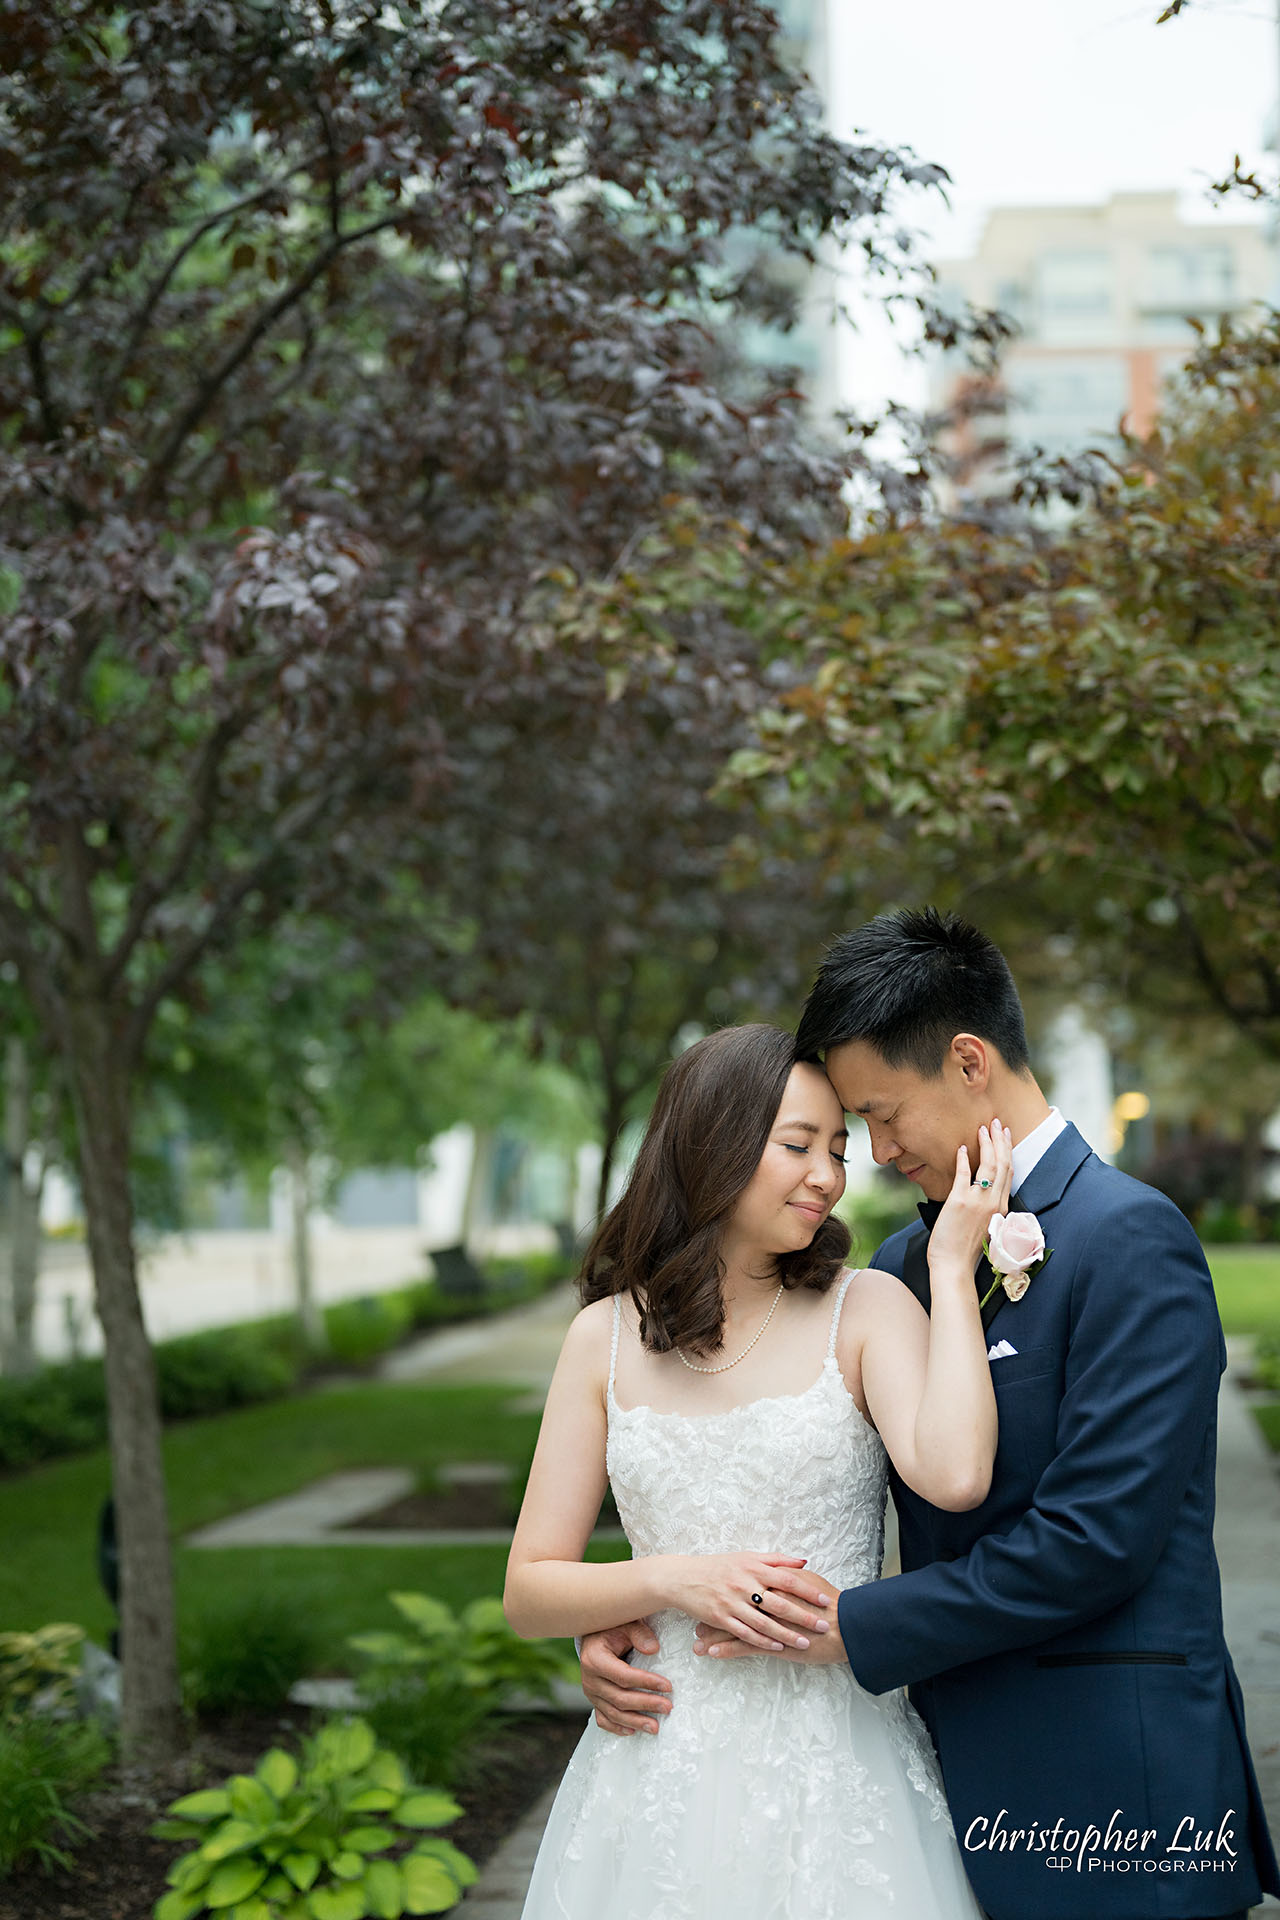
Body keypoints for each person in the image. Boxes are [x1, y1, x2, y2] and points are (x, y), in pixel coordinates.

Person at [583, 909, 1280, 1920]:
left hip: (1111, 1792)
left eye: (878, 1112)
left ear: (966, 1062)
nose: (867, 1152)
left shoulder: (1132, 1239)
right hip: (930, 1790)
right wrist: (640, 1617)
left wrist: (853, 1627)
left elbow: (1097, 1539)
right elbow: (791, 1464)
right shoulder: (904, 1269)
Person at [505, 1020, 1015, 1918]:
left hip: (840, 1766)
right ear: (714, 1145)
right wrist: (668, 1581)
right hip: (656, 1760)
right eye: (797, 1146)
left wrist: (949, 1267)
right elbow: (529, 1590)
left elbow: (958, 1474)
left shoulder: (867, 1307)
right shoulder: (602, 1339)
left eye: (837, 1150)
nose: (828, 1175)